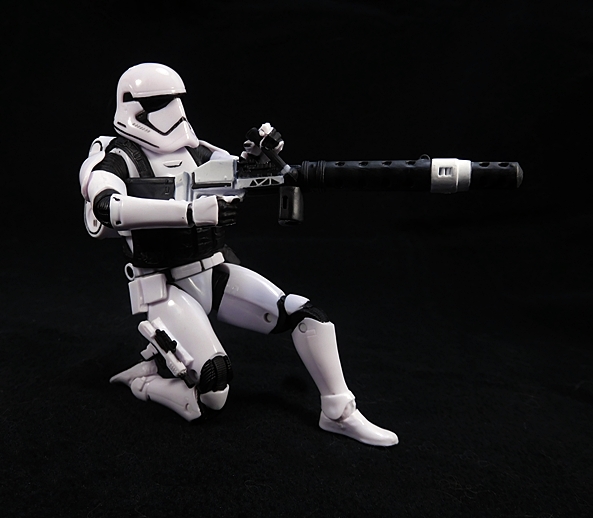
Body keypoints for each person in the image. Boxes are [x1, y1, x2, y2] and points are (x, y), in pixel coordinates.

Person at [79, 63, 398, 446]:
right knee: (213, 392)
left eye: (176, 100)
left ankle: (339, 411)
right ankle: (146, 382)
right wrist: (189, 212)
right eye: (160, 102)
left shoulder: (196, 151)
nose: (173, 111)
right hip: (163, 286)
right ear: (132, 105)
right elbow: (106, 205)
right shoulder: (120, 157)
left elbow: (235, 173)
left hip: (215, 271)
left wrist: (259, 162)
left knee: (305, 315)